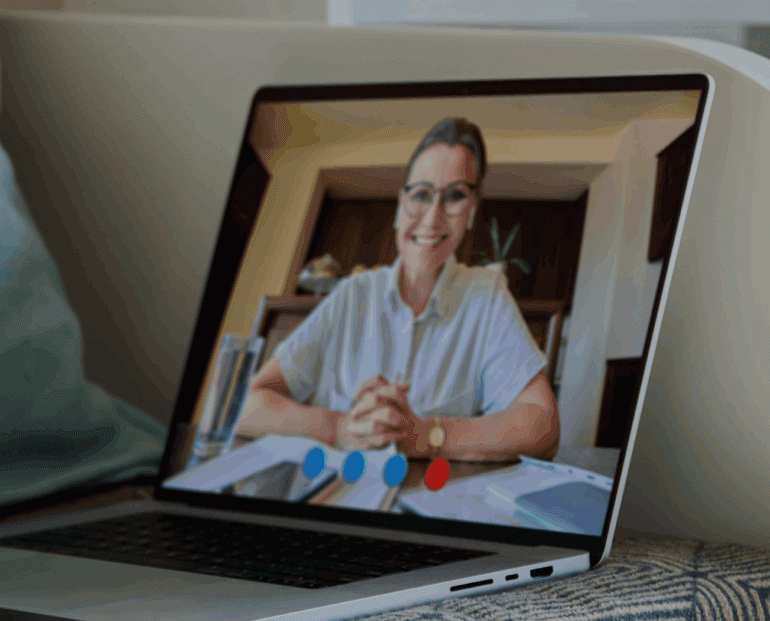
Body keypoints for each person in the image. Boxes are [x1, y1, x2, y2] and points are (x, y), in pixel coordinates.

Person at [235, 117, 561, 466]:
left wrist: (424, 435)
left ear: (471, 211)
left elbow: (542, 426)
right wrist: (340, 426)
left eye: (454, 196)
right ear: (399, 206)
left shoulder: (487, 295)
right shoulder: (352, 294)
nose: (433, 218)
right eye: (420, 194)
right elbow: (248, 403)